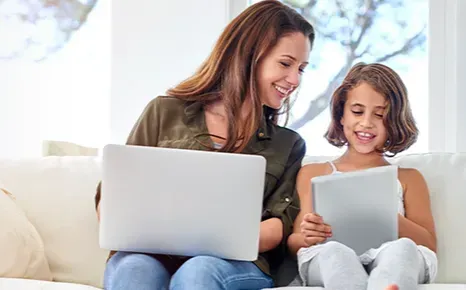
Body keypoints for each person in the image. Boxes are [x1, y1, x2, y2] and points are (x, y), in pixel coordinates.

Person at [94, 1, 315, 289]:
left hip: (233, 265)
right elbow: (113, 199)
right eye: (286, 64)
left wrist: (207, 239)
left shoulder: (288, 144)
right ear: (250, 55)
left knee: (198, 272)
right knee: (135, 269)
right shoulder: (164, 112)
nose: (295, 79)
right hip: (149, 255)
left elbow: (277, 227)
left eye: (302, 68)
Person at [287, 62, 438, 290]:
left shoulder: (408, 178)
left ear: (394, 122)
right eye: (357, 111)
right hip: (331, 257)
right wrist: (308, 236)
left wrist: (387, 217)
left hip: (390, 254)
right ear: (341, 116)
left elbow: (428, 243)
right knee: (334, 252)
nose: (366, 123)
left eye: (380, 115)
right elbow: (295, 242)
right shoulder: (314, 173)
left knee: (403, 248)